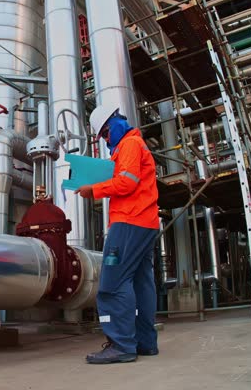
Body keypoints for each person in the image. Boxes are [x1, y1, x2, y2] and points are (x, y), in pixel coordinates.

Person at [75, 105, 160, 364]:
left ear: (113, 125)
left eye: (104, 134)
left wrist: (94, 189)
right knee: (141, 283)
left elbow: (127, 182)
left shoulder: (130, 145)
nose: (106, 140)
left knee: (112, 282)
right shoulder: (131, 146)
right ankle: (145, 343)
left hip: (130, 221)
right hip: (144, 223)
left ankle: (122, 345)